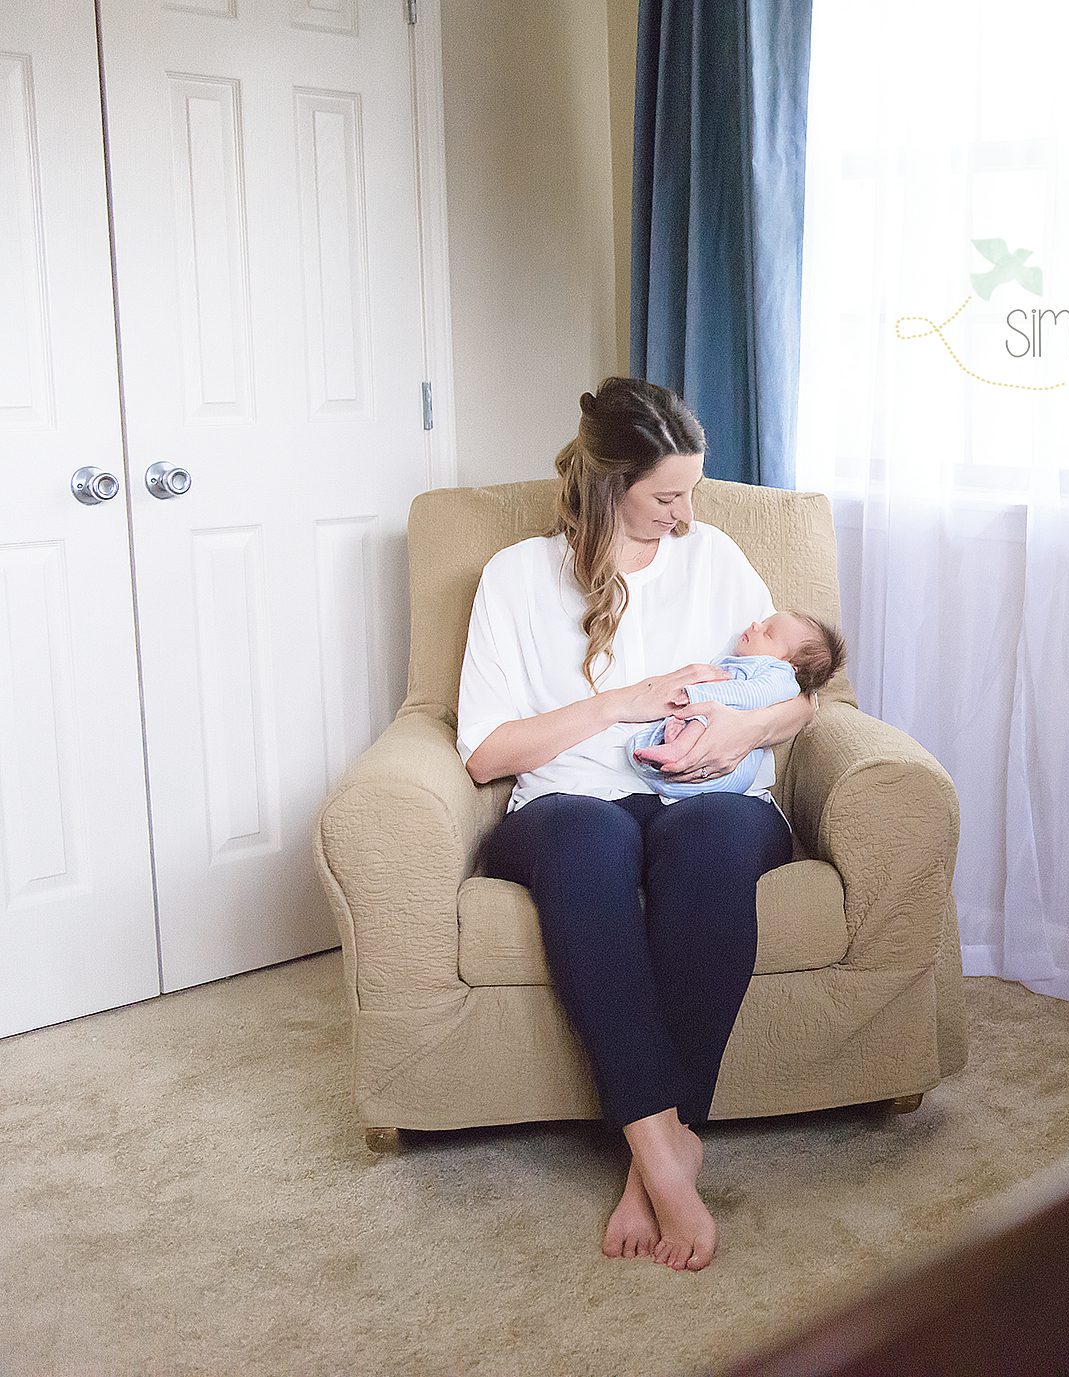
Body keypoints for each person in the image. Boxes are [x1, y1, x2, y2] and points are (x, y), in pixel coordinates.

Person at [455, 377, 818, 1271]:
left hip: (713, 799)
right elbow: (485, 754)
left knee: (711, 841)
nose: (686, 514)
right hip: (565, 801)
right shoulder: (514, 578)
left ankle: (649, 1158)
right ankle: (665, 1151)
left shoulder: (718, 557)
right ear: (609, 483)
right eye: (666, 496)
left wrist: (744, 727)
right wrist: (621, 703)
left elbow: (800, 699)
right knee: (591, 839)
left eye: (691, 491)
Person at [627, 611, 847, 798]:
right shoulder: (751, 665)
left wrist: (695, 693)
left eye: (768, 633)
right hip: (706, 775)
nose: (755, 625)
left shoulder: (780, 675)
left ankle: (677, 749)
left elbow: (749, 695)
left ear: (791, 665)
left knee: (713, 712)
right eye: (763, 622)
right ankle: (675, 746)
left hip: (730, 774)